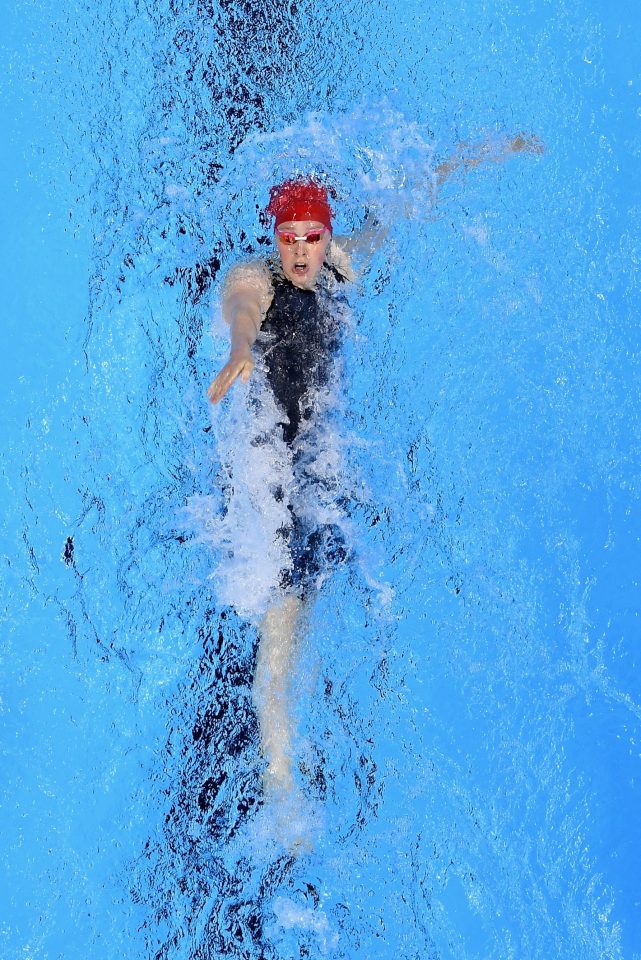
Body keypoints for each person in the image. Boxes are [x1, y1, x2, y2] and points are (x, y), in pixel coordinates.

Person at [207, 132, 543, 812]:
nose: (299, 249)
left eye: (311, 235)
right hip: (269, 469)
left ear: (325, 234)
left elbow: (404, 206)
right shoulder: (256, 276)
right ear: (273, 237)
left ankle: (301, 738)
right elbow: (240, 306)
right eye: (289, 237)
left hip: (316, 461)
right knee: (279, 624)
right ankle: (279, 790)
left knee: (316, 604)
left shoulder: (337, 265)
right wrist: (240, 347)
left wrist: (485, 155)